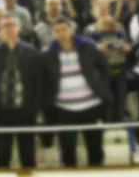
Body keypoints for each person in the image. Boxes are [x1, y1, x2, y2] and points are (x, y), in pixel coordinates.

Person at [43, 16, 111, 167]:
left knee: (95, 151)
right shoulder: (47, 53)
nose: (61, 33)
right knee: (67, 153)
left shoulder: (88, 46)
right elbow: (44, 78)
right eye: (57, 31)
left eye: (64, 29)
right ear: (53, 33)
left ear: (71, 30)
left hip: (91, 107)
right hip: (64, 110)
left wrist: (102, 87)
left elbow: (104, 66)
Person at [0, 14, 44, 169]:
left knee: (27, 156)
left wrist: (34, 108)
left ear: (18, 28)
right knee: (1, 156)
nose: (8, 29)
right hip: (1, 112)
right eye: (4, 26)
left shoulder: (31, 52)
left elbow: (39, 82)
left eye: (11, 25)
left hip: (26, 112)